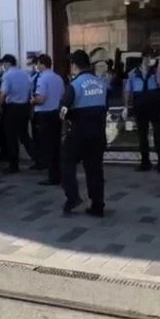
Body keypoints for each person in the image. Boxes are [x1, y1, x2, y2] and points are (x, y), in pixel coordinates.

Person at [60, 50, 107, 217]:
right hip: (98, 134)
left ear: (74, 65)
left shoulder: (74, 85)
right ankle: (97, 205)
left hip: (80, 133)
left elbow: (63, 111)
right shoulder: (101, 83)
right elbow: (105, 107)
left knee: (66, 161)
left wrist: (71, 117)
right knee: (95, 170)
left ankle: (73, 197)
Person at [124, 47, 160, 175]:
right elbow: (128, 91)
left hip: (154, 105)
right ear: (144, 58)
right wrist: (126, 107)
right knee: (142, 135)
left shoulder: (155, 71)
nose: (152, 60)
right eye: (150, 58)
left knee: (158, 135)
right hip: (140, 106)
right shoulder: (133, 73)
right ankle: (145, 162)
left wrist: (159, 68)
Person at [31, 55, 65, 186]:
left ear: (42, 64)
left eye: (38, 64)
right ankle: (58, 174)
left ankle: (52, 177)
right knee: (56, 146)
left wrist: (33, 101)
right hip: (56, 113)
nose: (37, 66)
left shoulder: (42, 78)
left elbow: (41, 99)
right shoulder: (58, 78)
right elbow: (62, 95)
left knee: (48, 147)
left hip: (45, 115)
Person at [0, 54, 34, 173]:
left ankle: (13, 165)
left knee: (11, 137)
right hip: (24, 107)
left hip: (11, 108)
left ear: (7, 63)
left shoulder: (7, 75)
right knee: (24, 135)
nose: (3, 66)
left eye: (3, 64)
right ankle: (39, 159)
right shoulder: (25, 74)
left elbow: (4, 93)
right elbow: (31, 91)